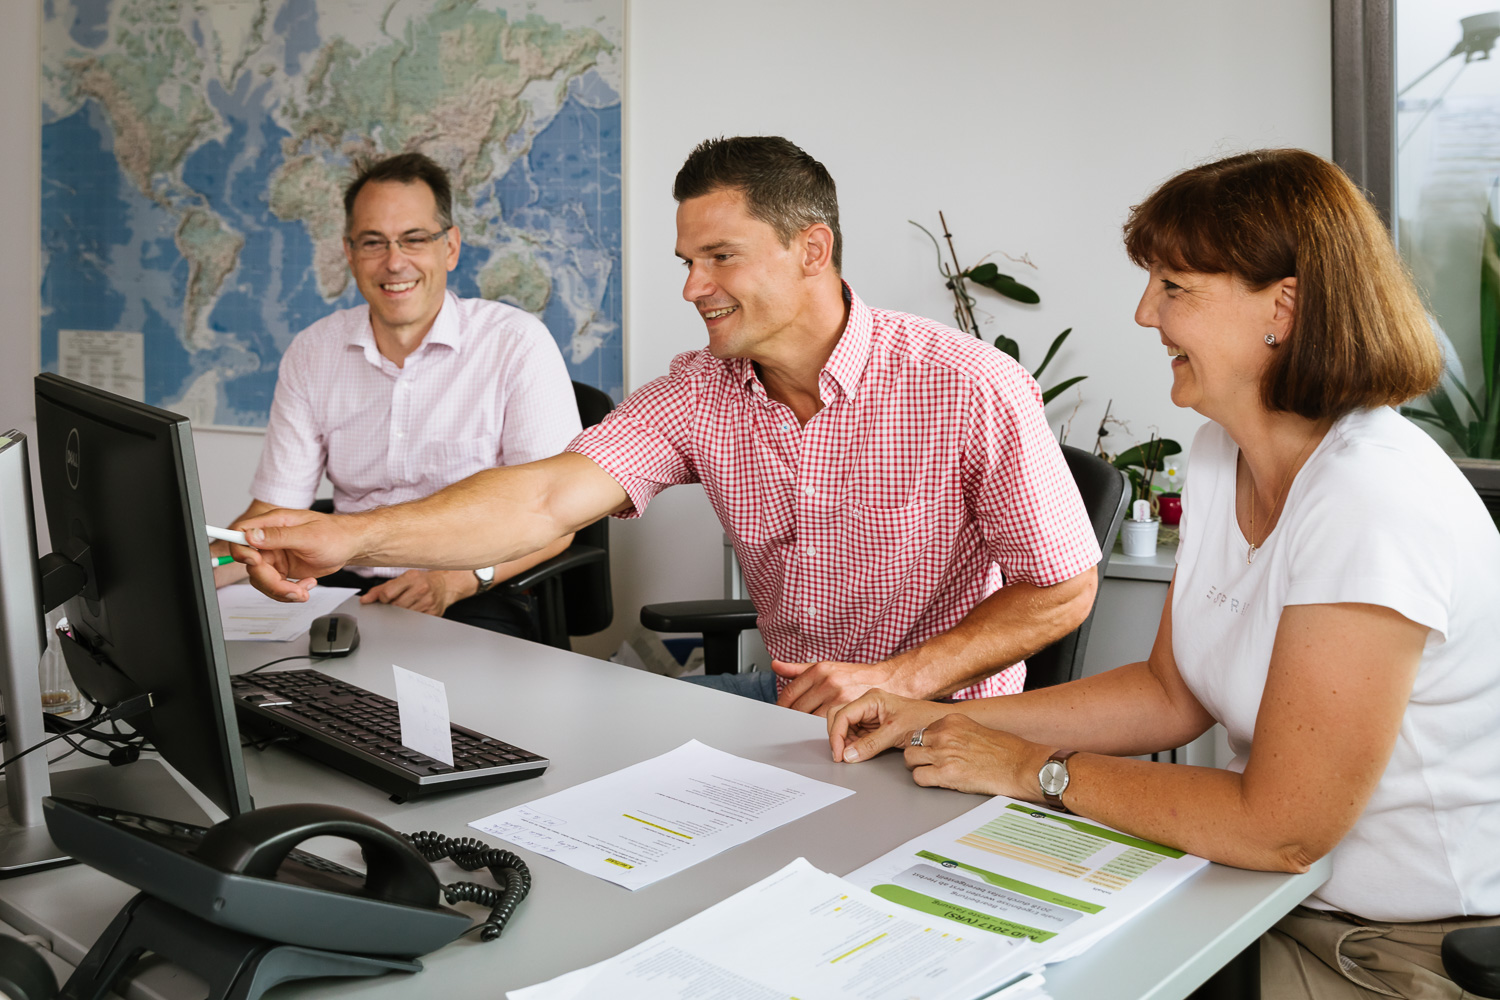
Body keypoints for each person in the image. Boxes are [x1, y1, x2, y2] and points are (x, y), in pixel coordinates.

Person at [827, 149, 1500, 998]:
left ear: (1284, 309)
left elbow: (1282, 829)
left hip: (1398, 950)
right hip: (1263, 901)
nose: (1146, 312)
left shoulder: (1372, 496)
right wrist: (937, 718)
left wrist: (1031, 769)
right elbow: (1167, 693)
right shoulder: (1223, 452)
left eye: (1174, 286)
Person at [233, 135, 1102, 715]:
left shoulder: (967, 386)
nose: (693, 287)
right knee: (584, 782)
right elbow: (541, 499)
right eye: (688, 261)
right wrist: (348, 537)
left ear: (812, 249)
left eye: (721, 257)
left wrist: (896, 680)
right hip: (793, 708)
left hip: (941, 718)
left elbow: (1063, 587)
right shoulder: (702, 390)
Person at [213, 152, 580, 639]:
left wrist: (455, 579)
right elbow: (269, 514)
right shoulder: (313, 352)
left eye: (414, 239)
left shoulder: (516, 343)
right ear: (349, 253)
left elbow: (557, 516)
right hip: (345, 587)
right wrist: (200, 564)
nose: (394, 262)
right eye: (373, 242)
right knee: (256, 691)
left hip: (478, 589)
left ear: (449, 247)